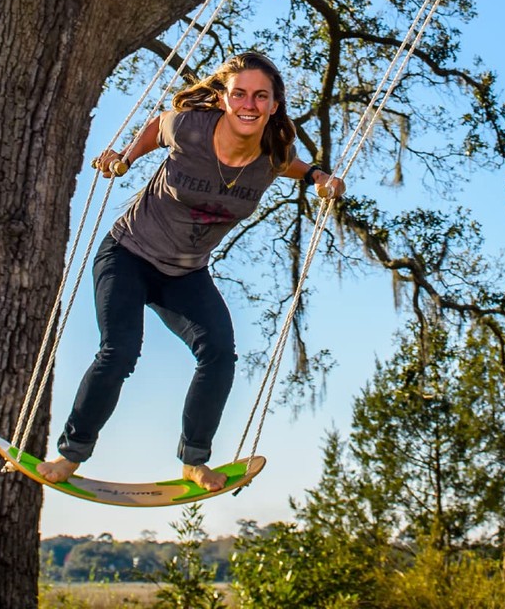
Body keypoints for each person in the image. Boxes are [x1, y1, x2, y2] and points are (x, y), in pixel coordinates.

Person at [37, 52, 346, 492]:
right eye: (239, 93)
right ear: (223, 98)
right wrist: (125, 156)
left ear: (274, 106)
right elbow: (156, 127)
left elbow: (291, 165)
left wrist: (317, 175)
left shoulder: (273, 154)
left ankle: (194, 460)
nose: (249, 104)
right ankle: (71, 454)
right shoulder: (190, 128)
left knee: (219, 353)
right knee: (120, 351)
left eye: (261, 97)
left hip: (184, 274)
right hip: (127, 254)